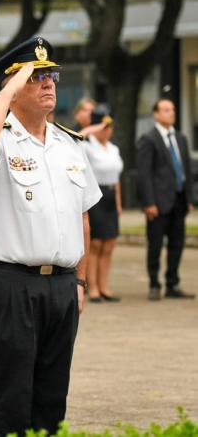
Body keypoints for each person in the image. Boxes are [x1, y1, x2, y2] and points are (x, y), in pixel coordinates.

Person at [0, 37, 101, 436]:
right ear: (12, 87)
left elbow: (82, 217)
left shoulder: (69, 145)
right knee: (12, 397)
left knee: (52, 397)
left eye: (51, 75)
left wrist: (79, 279)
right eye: (35, 77)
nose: (48, 83)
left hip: (60, 286)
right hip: (11, 284)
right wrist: (7, 91)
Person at [136, 98, 195, 301]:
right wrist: (148, 202)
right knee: (155, 244)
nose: (171, 113)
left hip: (178, 200)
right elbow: (144, 174)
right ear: (156, 114)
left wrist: (189, 198)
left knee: (177, 244)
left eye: (173, 109)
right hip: (158, 202)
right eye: (166, 110)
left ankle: (172, 283)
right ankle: (154, 284)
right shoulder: (148, 139)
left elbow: (185, 168)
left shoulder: (180, 138)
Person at [83, 111, 123, 303]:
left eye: (109, 127)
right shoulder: (88, 146)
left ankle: (105, 286)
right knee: (96, 243)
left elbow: (117, 179)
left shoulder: (113, 148)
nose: (106, 131)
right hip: (95, 195)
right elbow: (79, 135)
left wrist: (118, 203)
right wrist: (94, 128)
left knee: (109, 244)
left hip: (110, 196)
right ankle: (93, 289)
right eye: (103, 127)